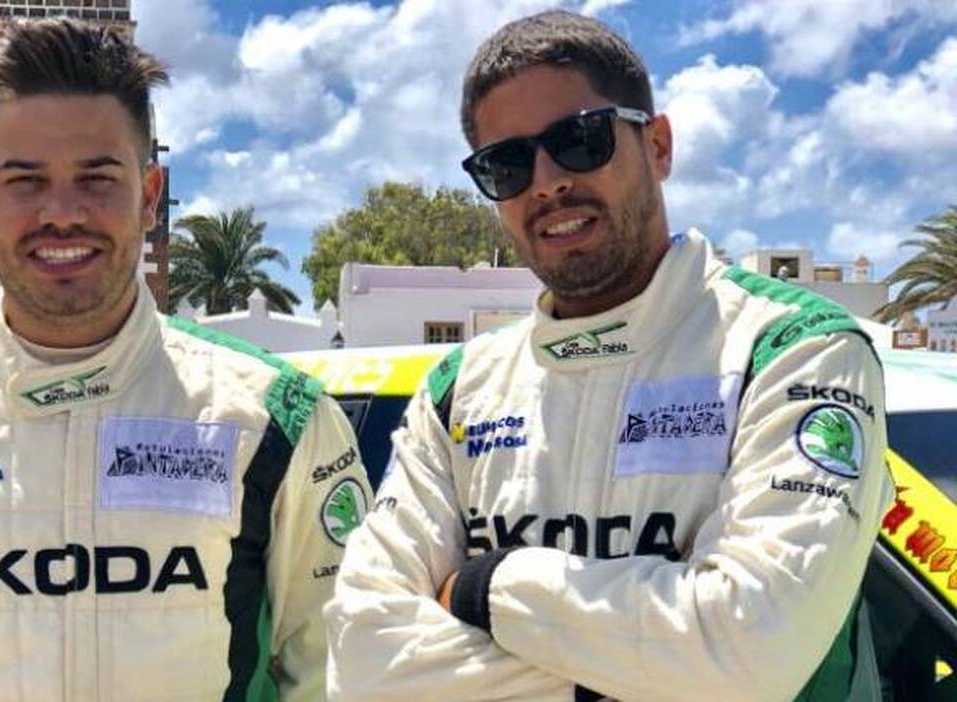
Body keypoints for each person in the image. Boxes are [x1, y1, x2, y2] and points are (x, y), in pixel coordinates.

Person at [326, 10, 892, 701]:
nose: (546, 182)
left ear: (658, 146)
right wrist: (650, 663)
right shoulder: (458, 387)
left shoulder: (794, 350)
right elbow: (364, 662)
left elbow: (749, 651)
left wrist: (484, 588)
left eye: (579, 139)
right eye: (507, 165)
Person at [0, 18, 370, 701]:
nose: (62, 212)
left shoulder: (275, 418)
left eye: (97, 178)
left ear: (150, 197)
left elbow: (334, 671)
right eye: (25, 180)